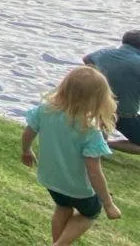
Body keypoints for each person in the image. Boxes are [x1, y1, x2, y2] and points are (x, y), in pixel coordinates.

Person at [21, 66, 120, 245]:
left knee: (63, 208)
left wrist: (26, 150)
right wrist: (108, 203)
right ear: (98, 99)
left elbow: (28, 133)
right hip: (79, 189)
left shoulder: (45, 111)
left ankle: (56, 242)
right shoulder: (89, 130)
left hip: (51, 180)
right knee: (89, 214)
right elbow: (94, 171)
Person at [84, 31, 140, 155]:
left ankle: (100, 143)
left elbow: (87, 58)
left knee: (103, 118)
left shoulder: (104, 53)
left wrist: (97, 75)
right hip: (124, 114)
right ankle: (104, 144)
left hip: (97, 105)